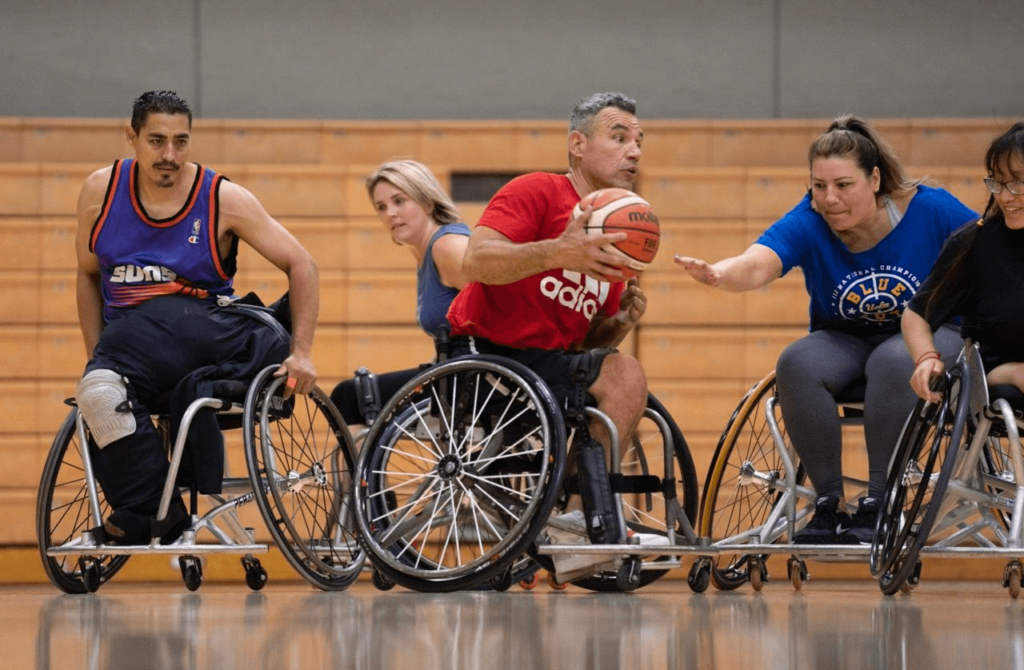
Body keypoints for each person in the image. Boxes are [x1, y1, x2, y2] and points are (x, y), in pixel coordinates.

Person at [674, 115, 978, 544]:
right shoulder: (809, 220)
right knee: (796, 362)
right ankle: (827, 505)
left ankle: (880, 503)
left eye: (842, 185)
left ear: (874, 180)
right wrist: (720, 274)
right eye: (819, 186)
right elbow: (759, 261)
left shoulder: (931, 209)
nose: (829, 198)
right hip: (848, 339)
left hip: (930, 333)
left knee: (894, 359)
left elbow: (990, 251)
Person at [75, 90, 319, 545]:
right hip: (137, 347)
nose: (170, 155)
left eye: (181, 141)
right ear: (131, 137)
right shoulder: (100, 191)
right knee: (100, 392)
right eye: (157, 140)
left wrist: (302, 352)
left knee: (138, 336)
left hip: (205, 328)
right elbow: (87, 276)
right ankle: (153, 509)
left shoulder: (224, 198)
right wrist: (98, 359)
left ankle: (146, 511)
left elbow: (302, 264)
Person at [445, 92, 649, 575]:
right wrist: (561, 251)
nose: (635, 150)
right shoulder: (536, 191)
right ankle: (582, 517)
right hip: (486, 355)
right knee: (624, 375)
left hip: (547, 365)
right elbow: (476, 261)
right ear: (577, 145)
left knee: (618, 375)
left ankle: (570, 515)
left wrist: (617, 325)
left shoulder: (617, 230)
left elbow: (583, 345)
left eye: (639, 141)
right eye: (619, 137)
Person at [329, 160, 470, 429]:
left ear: (428, 203)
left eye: (399, 201)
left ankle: (359, 473)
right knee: (353, 395)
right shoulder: (427, 253)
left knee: (348, 397)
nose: (390, 213)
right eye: (381, 207)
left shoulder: (447, 246)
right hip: (455, 372)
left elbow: (503, 307)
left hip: (473, 378)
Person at [904, 122, 1024, 404]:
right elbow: (917, 314)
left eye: (1017, 183)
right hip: (992, 372)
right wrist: (924, 359)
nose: (1005, 197)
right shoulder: (973, 243)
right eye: (997, 181)